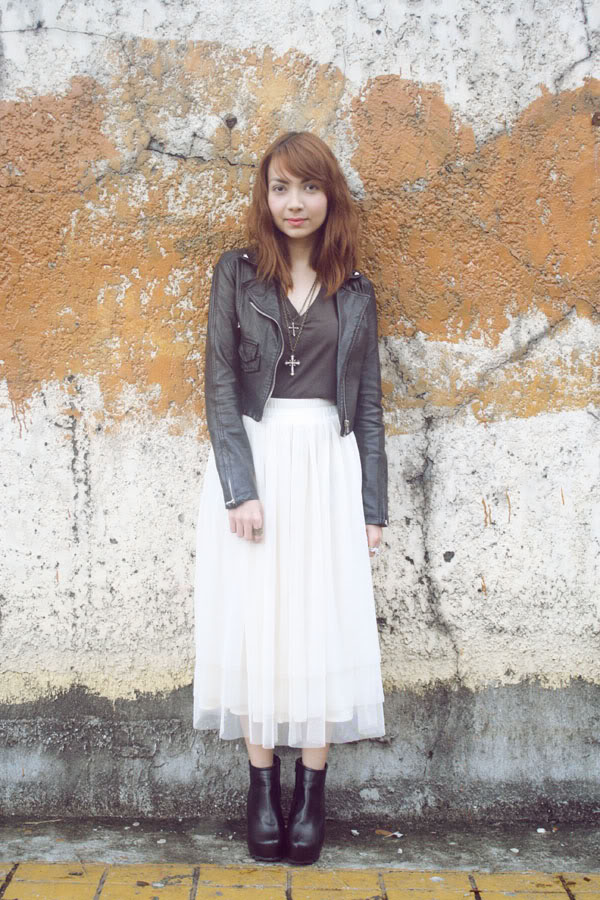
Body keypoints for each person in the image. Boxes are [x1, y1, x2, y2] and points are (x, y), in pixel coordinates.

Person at [193, 131, 388, 865]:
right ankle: (261, 788)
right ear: (265, 196)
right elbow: (219, 385)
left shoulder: (356, 291)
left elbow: (368, 405)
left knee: (319, 621)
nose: (294, 202)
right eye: (280, 187)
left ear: (329, 196)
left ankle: (312, 793)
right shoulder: (237, 274)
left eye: (308, 187)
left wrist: (371, 506)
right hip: (259, 457)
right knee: (257, 621)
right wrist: (239, 489)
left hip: (328, 468)